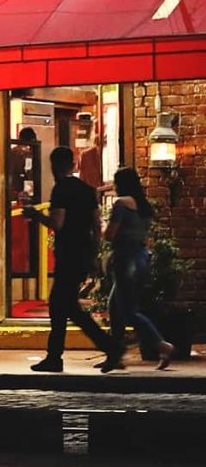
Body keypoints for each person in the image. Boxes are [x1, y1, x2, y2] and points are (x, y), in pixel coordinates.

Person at [23, 147, 120, 372]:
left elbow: (58, 223)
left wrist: (36, 215)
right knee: (64, 306)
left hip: (68, 253)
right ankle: (58, 356)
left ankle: (105, 347)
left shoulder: (61, 190)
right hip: (83, 253)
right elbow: (97, 225)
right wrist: (95, 256)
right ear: (74, 164)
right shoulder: (87, 190)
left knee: (61, 305)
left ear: (54, 166)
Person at [102, 167, 175, 371]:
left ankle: (162, 345)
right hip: (141, 257)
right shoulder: (143, 206)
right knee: (115, 307)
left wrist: (100, 228)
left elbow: (110, 235)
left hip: (125, 259)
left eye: (116, 183)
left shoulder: (121, 204)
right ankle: (114, 354)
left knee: (129, 311)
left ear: (121, 184)